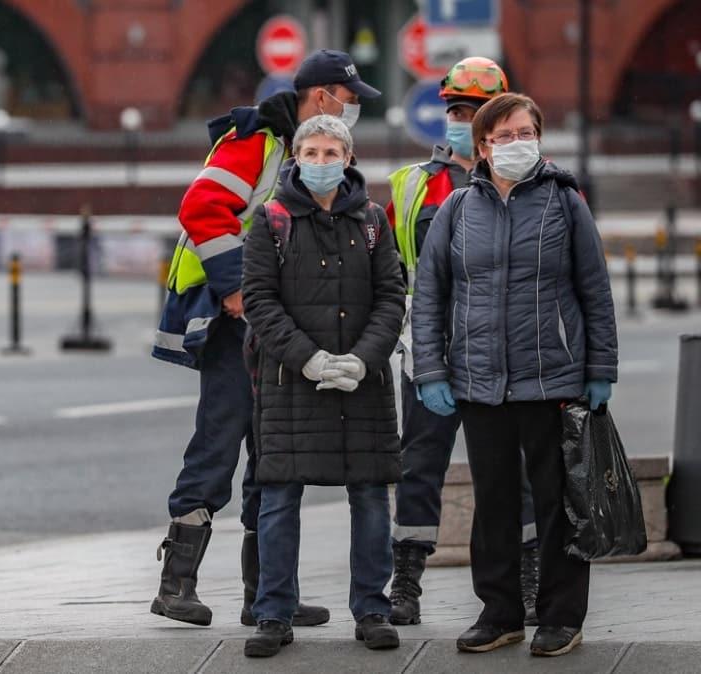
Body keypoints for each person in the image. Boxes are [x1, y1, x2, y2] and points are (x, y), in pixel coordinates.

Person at [150, 50, 380, 629]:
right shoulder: (257, 140)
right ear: (323, 95)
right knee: (220, 443)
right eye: (350, 101)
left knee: (272, 451)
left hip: (274, 324)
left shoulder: (305, 149)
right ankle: (176, 585)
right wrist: (235, 293)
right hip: (234, 324)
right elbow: (202, 208)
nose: (353, 113)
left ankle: (265, 593)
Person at [411, 93, 618, 657]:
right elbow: (430, 294)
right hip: (480, 382)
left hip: (552, 378)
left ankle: (560, 615)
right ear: (482, 146)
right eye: (506, 136)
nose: (519, 145)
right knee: (495, 502)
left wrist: (600, 369)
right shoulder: (457, 208)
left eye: (528, 133)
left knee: (558, 503)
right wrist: (431, 370)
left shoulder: (564, 200)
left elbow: (594, 290)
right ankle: (499, 612)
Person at [385, 57, 541, 627]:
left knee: (511, 469)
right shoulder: (413, 186)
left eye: (474, 112)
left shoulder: (531, 188)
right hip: (430, 347)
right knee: (418, 464)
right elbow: (390, 269)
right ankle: (406, 579)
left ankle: (525, 574)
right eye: (455, 110)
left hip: (500, 350)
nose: (462, 120)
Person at [241, 115, 405, 657]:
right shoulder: (271, 221)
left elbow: (391, 296)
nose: (319, 162)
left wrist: (361, 359)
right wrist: (309, 359)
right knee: (280, 497)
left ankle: (373, 608)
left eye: (330, 152)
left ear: (348, 158)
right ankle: (273, 612)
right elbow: (259, 302)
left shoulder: (374, 221)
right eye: (309, 152)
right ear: (295, 157)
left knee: (371, 494)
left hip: (363, 381)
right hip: (292, 381)